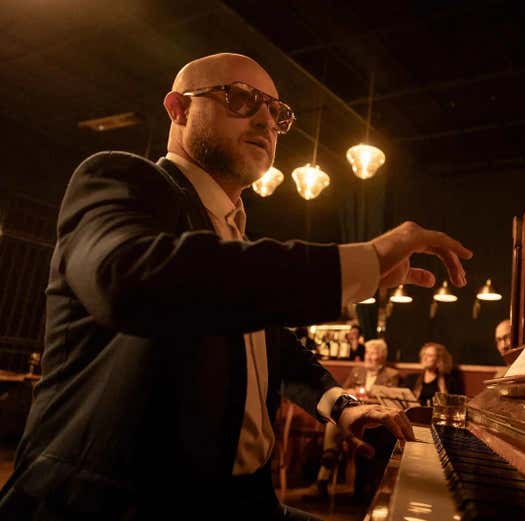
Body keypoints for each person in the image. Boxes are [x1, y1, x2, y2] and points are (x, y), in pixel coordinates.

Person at [0, 53, 472, 520]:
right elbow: (129, 278)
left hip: (244, 501)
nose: (267, 120)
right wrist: (360, 261)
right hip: (122, 503)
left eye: (277, 112)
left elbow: (269, 343)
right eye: (241, 98)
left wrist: (342, 405)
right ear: (179, 109)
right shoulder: (120, 180)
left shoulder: (235, 237)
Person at [312, 339, 399, 498]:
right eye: (367, 352)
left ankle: (325, 470)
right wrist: (353, 392)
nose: (369, 356)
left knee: (337, 420)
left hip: (374, 420)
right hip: (353, 413)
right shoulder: (358, 370)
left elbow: (389, 400)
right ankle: (329, 457)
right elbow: (344, 390)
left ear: (382, 356)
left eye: (373, 353)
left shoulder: (392, 375)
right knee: (336, 418)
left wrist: (368, 397)